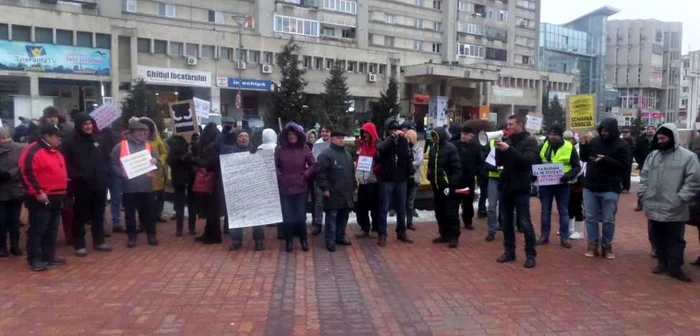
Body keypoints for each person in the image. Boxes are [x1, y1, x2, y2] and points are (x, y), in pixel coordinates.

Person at [639, 124, 700, 282]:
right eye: (658, 138)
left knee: (675, 239)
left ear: (672, 138)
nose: (660, 141)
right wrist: (644, 194)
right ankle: (662, 262)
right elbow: (644, 176)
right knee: (657, 237)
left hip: (675, 208)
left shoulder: (688, 157)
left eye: (663, 138)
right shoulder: (653, 156)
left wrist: (680, 198)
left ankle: (675, 266)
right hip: (654, 206)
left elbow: (693, 181)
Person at [61, 113, 112, 257]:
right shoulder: (70, 142)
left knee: (98, 213)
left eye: (90, 124)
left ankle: (99, 240)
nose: (88, 127)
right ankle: (79, 243)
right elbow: (66, 163)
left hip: (99, 183)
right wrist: (77, 175)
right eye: (85, 124)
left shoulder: (99, 140)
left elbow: (106, 158)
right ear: (79, 126)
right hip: (81, 185)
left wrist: (105, 172)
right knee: (80, 214)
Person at [19, 124, 68, 271]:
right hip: (41, 197)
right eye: (56, 136)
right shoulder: (34, 150)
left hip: (56, 196)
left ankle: (48, 255)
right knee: (38, 229)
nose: (60, 138)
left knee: (52, 229)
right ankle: (34, 258)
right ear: (47, 135)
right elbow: (26, 173)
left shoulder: (55, 151)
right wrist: (38, 192)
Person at [580, 118, 630, 260]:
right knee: (591, 218)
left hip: (610, 187)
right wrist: (583, 144)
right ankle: (592, 245)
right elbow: (584, 158)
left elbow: (625, 165)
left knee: (608, 219)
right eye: (602, 130)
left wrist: (605, 159)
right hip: (590, 186)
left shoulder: (622, 145)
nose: (604, 133)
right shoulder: (594, 141)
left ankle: (607, 246)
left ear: (613, 130)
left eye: (607, 130)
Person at [495, 115, 539, 269]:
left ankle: (530, 254)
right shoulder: (508, 140)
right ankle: (509, 251)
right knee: (506, 222)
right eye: (508, 124)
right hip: (506, 186)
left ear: (520, 124)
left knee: (525, 222)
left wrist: (509, 149)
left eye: (511, 124)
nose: (508, 127)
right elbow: (499, 163)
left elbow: (528, 161)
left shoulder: (530, 141)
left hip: (521, 187)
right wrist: (498, 150)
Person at [111, 120, 159, 248]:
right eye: (139, 131)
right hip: (129, 187)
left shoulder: (149, 146)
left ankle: (151, 234)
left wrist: (155, 162)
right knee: (129, 214)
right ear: (131, 132)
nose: (142, 134)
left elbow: (157, 162)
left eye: (143, 131)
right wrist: (121, 174)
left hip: (146, 186)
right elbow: (113, 163)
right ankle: (131, 237)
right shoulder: (120, 146)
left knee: (148, 212)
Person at [536, 125, 581, 249]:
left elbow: (577, 167)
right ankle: (544, 236)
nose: (552, 137)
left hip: (562, 184)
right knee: (545, 211)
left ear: (560, 135)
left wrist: (567, 176)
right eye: (550, 134)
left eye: (555, 134)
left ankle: (564, 237)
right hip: (546, 184)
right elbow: (536, 161)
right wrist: (534, 174)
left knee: (563, 211)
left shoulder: (569, 147)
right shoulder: (544, 146)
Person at [275, 123, 315, 252]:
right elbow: (274, 165)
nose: (292, 137)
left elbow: (313, 165)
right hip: (285, 188)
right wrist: (280, 176)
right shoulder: (280, 149)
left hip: (300, 187)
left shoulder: (304, 148)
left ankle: (303, 240)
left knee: (300, 216)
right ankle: (289, 241)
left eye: (294, 134)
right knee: (287, 217)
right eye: (290, 135)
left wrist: (304, 175)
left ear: (299, 135)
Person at [376, 119, 414, 246]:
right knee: (384, 208)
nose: (395, 131)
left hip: (401, 179)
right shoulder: (384, 141)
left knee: (401, 208)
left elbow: (408, 157)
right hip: (387, 179)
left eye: (396, 129)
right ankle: (382, 234)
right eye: (392, 129)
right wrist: (392, 137)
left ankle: (401, 232)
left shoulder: (403, 141)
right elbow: (380, 148)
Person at [316, 129, 356, 252]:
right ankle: (330, 240)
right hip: (333, 192)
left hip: (346, 192)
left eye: (342, 138)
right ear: (332, 139)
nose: (341, 140)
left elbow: (351, 173)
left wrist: (354, 186)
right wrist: (325, 188)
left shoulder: (347, 155)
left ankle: (340, 236)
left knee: (343, 216)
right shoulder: (325, 155)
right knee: (332, 217)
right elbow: (321, 174)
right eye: (339, 138)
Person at [225, 129, 265, 250]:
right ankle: (236, 240)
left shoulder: (256, 151)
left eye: (246, 136)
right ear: (237, 139)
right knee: (237, 214)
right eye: (241, 136)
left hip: (253, 189)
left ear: (249, 139)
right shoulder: (230, 153)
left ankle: (259, 240)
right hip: (237, 189)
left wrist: (257, 155)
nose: (243, 138)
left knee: (257, 215)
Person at [427, 127, 462, 248]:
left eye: (436, 136)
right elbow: (431, 166)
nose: (434, 139)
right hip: (437, 186)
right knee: (439, 212)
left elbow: (456, 169)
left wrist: (452, 185)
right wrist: (430, 176)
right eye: (433, 136)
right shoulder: (433, 149)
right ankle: (444, 234)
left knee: (451, 213)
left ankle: (454, 236)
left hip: (447, 187)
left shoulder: (450, 149)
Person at [193, 123, 224, 245]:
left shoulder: (209, 147)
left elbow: (209, 163)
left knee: (211, 210)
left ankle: (213, 235)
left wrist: (196, 160)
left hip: (211, 181)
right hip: (215, 181)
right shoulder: (216, 145)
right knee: (212, 209)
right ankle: (210, 233)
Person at [0, 127, 25, 257]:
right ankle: (2, 246)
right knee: (1, 221)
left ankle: (15, 245)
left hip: (15, 189)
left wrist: (10, 174)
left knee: (14, 220)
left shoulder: (19, 148)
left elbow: (23, 165)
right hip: (1, 191)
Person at [452, 125, 482, 231]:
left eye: (466, 135)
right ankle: (454, 221)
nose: (464, 136)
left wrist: (475, 172)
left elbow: (480, 162)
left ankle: (468, 221)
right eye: (462, 134)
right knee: (455, 201)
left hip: (469, 179)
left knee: (468, 202)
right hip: (456, 179)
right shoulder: (454, 145)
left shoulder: (476, 147)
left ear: (471, 136)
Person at [138, 117, 168, 224]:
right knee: (144, 199)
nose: (145, 132)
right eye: (143, 129)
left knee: (159, 196)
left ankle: (157, 215)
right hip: (143, 174)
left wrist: (159, 161)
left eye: (147, 129)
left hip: (157, 172)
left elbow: (164, 153)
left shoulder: (157, 139)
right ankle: (143, 220)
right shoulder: (136, 141)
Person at [167, 134, 197, 237]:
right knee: (180, 204)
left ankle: (191, 228)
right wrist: (183, 158)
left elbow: (197, 159)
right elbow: (170, 160)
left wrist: (192, 152)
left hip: (191, 177)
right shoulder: (174, 143)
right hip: (179, 177)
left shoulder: (194, 142)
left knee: (192, 204)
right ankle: (179, 229)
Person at [355, 122, 381, 237]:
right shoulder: (361, 146)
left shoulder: (377, 146)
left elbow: (380, 162)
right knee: (361, 206)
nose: (365, 135)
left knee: (375, 207)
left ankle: (376, 228)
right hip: (362, 181)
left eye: (367, 133)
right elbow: (358, 160)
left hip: (373, 181)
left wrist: (375, 169)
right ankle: (364, 227)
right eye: (363, 133)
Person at [484, 125, 506, 242]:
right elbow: (485, 161)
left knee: (506, 207)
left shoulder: (510, 144)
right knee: (491, 207)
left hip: (507, 179)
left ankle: (508, 231)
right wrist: (495, 168)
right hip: (493, 178)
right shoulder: (491, 143)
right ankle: (491, 231)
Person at [311, 125, 332, 236]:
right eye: (323, 131)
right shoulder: (317, 144)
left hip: (331, 178)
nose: (324, 133)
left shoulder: (333, 144)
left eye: (327, 131)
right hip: (319, 176)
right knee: (319, 203)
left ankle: (330, 225)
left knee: (331, 203)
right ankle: (318, 224)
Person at [101, 126, 123, 234]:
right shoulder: (116, 134)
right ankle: (116, 222)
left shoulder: (96, 136)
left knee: (105, 199)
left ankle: (105, 225)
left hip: (107, 170)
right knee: (115, 198)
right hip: (110, 170)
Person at [566, 132, 586, 240]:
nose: (568, 140)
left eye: (569, 138)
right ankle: (570, 228)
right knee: (569, 204)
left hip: (578, 181)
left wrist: (571, 175)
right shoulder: (568, 149)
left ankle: (579, 231)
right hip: (569, 180)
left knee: (577, 205)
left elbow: (580, 167)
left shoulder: (580, 150)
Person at [634, 126, 656, 211]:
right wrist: (639, 161)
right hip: (644, 165)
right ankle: (640, 203)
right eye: (649, 129)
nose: (650, 131)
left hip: (656, 166)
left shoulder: (658, 141)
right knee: (643, 184)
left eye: (652, 129)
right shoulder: (641, 140)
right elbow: (635, 152)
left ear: (655, 131)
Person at [405, 129, 423, 231]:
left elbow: (418, 161)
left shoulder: (418, 148)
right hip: (404, 178)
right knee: (403, 200)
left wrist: (408, 164)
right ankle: (403, 221)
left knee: (410, 201)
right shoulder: (404, 147)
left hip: (413, 179)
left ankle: (409, 221)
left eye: (408, 137)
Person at [620, 127, 635, 193]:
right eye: (624, 133)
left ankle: (626, 187)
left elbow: (632, 149)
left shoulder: (631, 140)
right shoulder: (621, 140)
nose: (625, 134)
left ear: (629, 133)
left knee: (626, 174)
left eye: (626, 133)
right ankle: (622, 187)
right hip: (621, 159)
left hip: (628, 160)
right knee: (621, 174)